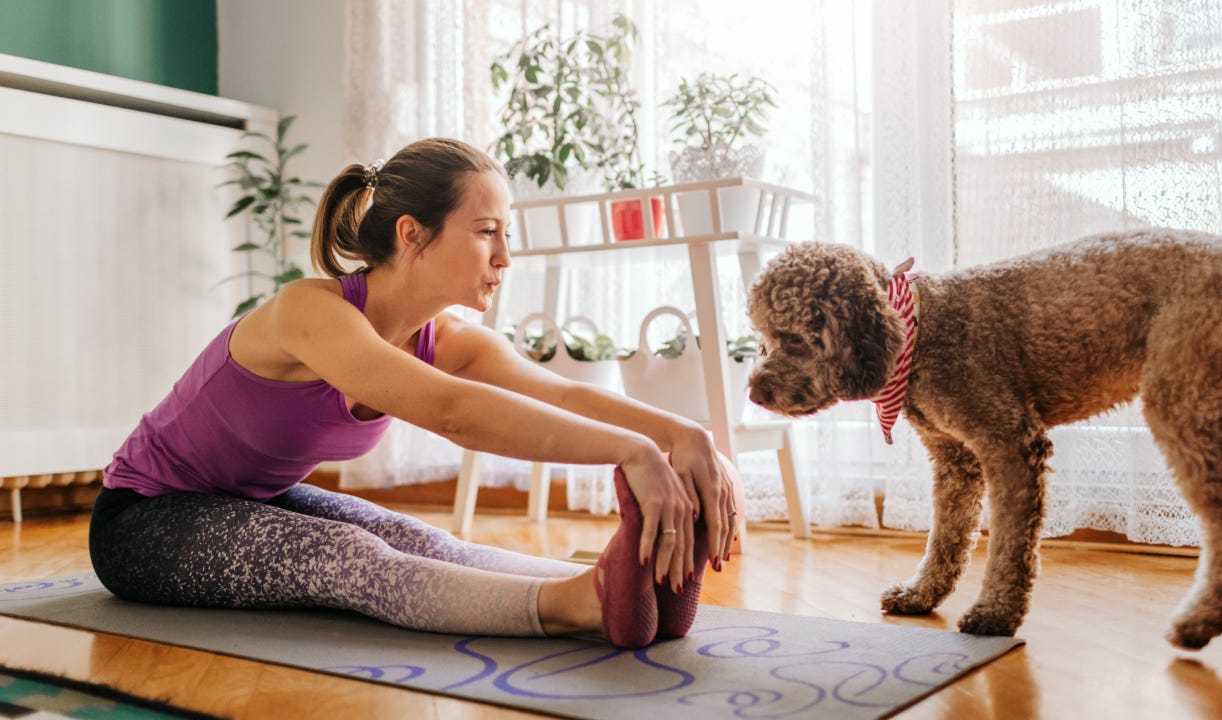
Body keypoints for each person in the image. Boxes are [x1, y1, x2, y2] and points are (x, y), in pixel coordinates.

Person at [88, 137, 740, 649]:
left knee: (418, 539)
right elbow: (451, 412)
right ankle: (579, 606)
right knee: (350, 556)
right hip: (145, 521)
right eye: (487, 232)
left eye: (506, 235)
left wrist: (684, 437)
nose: (505, 257)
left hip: (251, 498)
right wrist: (632, 453)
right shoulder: (308, 312)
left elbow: (562, 397)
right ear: (412, 234)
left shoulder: (450, 339)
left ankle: (632, 587)